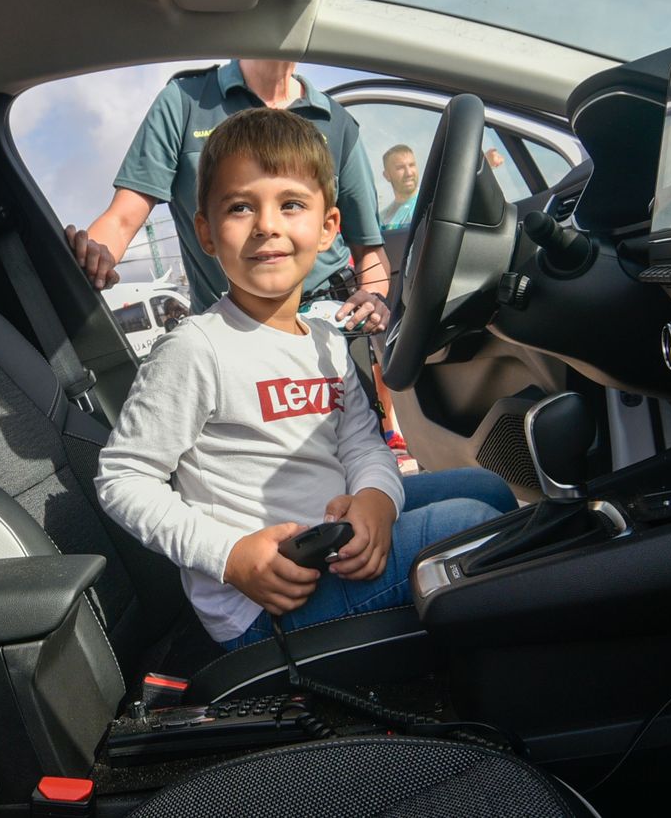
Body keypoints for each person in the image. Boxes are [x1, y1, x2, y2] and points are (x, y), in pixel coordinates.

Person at [95, 108, 514, 651]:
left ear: (327, 229)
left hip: (331, 535)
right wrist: (230, 556)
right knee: (471, 521)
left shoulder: (323, 339)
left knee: (488, 487)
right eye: (241, 207)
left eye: (290, 204)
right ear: (206, 232)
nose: (267, 225)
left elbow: (362, 443)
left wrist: (376, 501)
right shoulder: (197, 348)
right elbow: (123, 478)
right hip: (266, 600)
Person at [67, 59, 392, 335]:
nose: (267, 226)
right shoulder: (184, 102)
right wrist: (92, 260)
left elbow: (369, 250)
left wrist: (372, 298)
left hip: (328, 329)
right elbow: (122, 220)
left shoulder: (338, 124)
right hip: (228, 336)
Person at [379, 144, 419, 230]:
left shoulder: (431, 206)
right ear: (387, 175)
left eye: (411, 165)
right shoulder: (382, 220)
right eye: (400, 168)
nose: (409, 173)